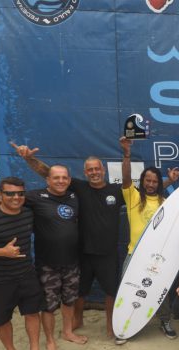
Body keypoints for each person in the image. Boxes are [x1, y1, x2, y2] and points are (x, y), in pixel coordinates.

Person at [11, 142, 125, 338]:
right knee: (78, 293)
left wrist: (164, 184)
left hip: (108, 253)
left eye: (97, 168)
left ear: (103, 170)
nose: (94, 172)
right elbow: (49, 173)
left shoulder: (117, 190)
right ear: (85, 172)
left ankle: (110, 325)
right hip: (82, 252)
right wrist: (29, 158)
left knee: (111, 292)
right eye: (90, 170)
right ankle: (77, 320)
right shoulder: (77, 187)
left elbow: (147, 194)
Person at [119, 137, 179, 342]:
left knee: (159, 291)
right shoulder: (133, 197)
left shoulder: (165, 202)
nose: (151, 184)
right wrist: (127, 154)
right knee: (127, 290)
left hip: (156, 257)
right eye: (148, 180)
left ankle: (164, 320)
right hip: (133, 253)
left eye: (155, 181)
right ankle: (123, 325)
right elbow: (126, 178)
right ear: (142, 181)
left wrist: (170, 182)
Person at [0, 178, 54, 350]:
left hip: (26, 274)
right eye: (10, 193)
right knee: (1, 320)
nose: (16, 197)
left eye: (20, 193)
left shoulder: (28, 214)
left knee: (32, 312)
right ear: (1, 195)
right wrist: (2, 252)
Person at [27, 165, 87, 350]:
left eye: (64, 178)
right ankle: (51, 340)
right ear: (48, 180)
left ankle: (67, 332)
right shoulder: (35, 197)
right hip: (47, 264)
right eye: (56, 178)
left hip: (71, 262)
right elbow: (10, 202)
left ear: (69, 180)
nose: (60, 181)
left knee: (69, 301)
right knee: (49, 305)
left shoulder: (74, 197)